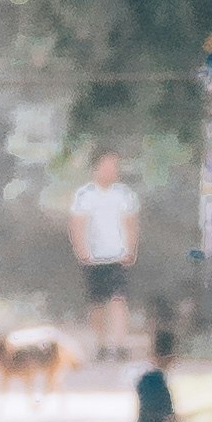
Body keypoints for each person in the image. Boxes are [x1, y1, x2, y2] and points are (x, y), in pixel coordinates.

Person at [68, 146, 141, 359]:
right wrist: (82, 251)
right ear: (96, 168)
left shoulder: (125, 195)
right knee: (98, 303)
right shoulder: (84, 196)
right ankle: (101, 344)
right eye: (108, 165)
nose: (112, 170)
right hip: (94, 258)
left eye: (115, 166)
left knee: (118, 299)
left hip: (118, 256)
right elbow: (77, 225)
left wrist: (130, 250)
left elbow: (131, 224)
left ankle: (119, 344)